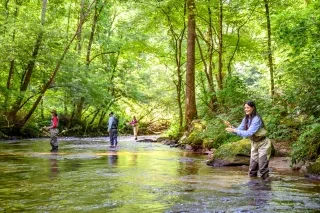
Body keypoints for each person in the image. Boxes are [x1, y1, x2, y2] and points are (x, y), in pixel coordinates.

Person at [224, 100, 271, 181]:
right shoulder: (245, 119)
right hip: (254, 144)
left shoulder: (256, 119)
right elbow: (239, 131)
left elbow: (248, 133)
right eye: (245, 108)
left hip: (263, 144)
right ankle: (252, 189)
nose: (246, 109)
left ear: (253, 108)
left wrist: (234, 130)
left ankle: (265, 190)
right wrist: (231, 127)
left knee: (263, 169)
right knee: (252, 171)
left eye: (248, 107)